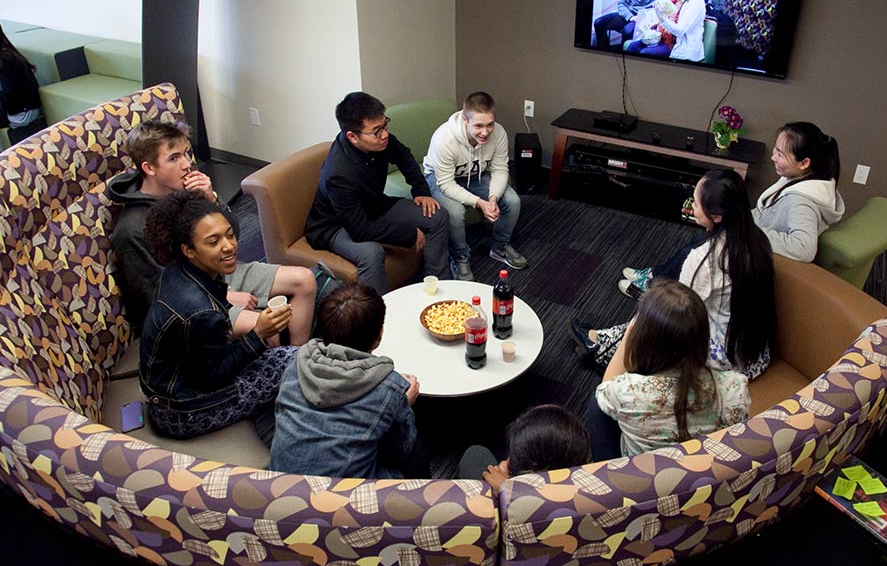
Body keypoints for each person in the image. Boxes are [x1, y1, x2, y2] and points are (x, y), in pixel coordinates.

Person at [109, 121, 316, 343]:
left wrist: (212, 199)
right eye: (174, 158)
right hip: (191, 297)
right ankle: (279, 372)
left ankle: (298, 357)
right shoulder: (132, 229)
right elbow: (157, 295)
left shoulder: (186, 191)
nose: (187, 164)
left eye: (185, 154)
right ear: (149, 168)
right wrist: (224, 296)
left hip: (221, 271)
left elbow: (233, 234)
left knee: (305, 280)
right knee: (265, 327)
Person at [575, 169, 776, 380]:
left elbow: (680, 314)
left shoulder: (706, 259)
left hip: (725, 360)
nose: (692, 206)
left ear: (717, 216)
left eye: (696, 204)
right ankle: (603, 339)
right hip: (754, 352)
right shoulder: (758, 239)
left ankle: (605, 348)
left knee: (651, 315)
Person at [139, 191, 297, 439]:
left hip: (168, 388)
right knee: (293, 362)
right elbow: (210, 380)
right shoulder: (200, 311)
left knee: (286, 359)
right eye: (213, 242)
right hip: (181, 412)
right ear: (189, 250)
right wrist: (258, 334)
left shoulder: (178, 271)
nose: (229, 246)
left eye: (230, 235)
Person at [269, 283, 425, 479]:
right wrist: (403, 404)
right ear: (380, 335)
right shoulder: (388, 388)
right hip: (337, 500)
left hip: (276, 488)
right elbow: (400, 451)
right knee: (415, 448)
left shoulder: (295, 363)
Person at [587, 279, 751, 460]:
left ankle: (608, 476)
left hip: (646, 479)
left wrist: (628, 336)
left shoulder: (628, 393)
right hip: (705, 474)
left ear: (643, 338)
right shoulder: (736, 388)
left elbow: (603, 390)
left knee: (596, 406)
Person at [305, 92, 450, 295]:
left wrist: (421, 190)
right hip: (336, 225)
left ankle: (439, 287)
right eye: (376, 131)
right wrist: (408, 234)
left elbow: (404, 156)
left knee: (437, 216)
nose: (384, 135)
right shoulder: (338, 174)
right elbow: (359, 230)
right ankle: (377, 319)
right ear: (353, 137)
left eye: (385, 125)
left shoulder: (380, 139)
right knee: (371, 253)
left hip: (373, 205)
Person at [423, 91, 527, 280]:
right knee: (454, 213)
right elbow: (446, 183)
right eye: (478, 126)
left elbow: (500, 169)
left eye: (490, 125)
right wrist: (480, 203)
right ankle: (460, 257)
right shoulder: (444, 139)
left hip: (475, 174)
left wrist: (493, 198)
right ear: (465, 120)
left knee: (512, 201)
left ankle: (500, 247)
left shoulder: (499, 133)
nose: (485, 132)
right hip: (440, 178)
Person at [753, 122, 844, 262]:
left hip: (757, 256)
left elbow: (804, 248)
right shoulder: (806, 178)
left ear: (804, 163)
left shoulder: (801, 202)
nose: (773, 157)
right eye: (775, 150)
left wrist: (746, 232)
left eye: (780, 154)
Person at [458, 404, 590, 494]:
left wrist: (508, 491)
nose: (507, 461)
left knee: (475, 454)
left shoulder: (506, 509)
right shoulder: (601, 489)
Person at [0, 24, 46, 145]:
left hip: (22, 113)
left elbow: (9, 94)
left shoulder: (4, 60)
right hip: (21, 108)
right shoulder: (6, 52)